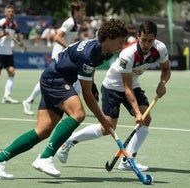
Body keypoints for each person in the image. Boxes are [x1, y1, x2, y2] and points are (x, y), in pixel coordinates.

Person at [0, 18, 128, 179]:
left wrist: (92, 85)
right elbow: (86, 94)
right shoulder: (90, 53)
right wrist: (103, 120)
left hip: (54, 78)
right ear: (108, 38)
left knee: (42, 131)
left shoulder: (106, 51)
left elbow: (90, 72)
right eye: (120, 42)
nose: (121, 47)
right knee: (78, 114)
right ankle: (45, 157)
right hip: (56, 79)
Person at [56, 20, 171, 171]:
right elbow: (126, 87)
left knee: (146, 119)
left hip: (133, 83)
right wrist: (136, 113)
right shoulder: (128, 54)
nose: (146, 44)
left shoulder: (160, 49)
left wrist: (162, 82)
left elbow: (166, 69)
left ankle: (127, 160)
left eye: (150, 40)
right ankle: (68, 142)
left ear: (155, 38)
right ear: (138, 36)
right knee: (107, 128)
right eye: (143, 40)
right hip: (113, 86)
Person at [22, 0, 86, 115]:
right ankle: (29, 101)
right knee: (54, 79)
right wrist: (69, 49)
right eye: (82, 10)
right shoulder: (70, 22)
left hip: (64, 55)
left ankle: (67, 104)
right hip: (59, 55)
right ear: (76, 11)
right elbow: (57, 37)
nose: (84, 12)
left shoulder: (75, 23)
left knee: (75, 81)